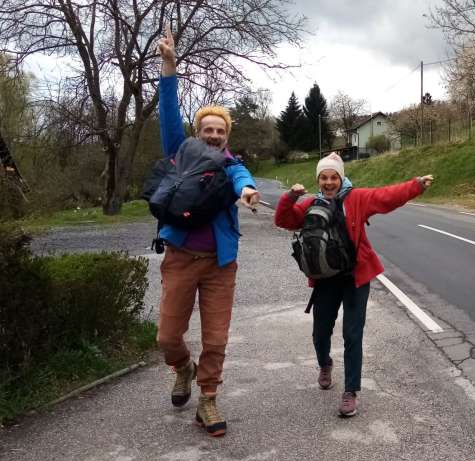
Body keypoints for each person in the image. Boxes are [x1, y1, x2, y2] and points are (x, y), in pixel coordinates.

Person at [155, 26, 260, 437]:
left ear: (227, 136)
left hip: (220, 264)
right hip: (181, 258)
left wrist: (248, 190)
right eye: (208, 129)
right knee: (167, 336)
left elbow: (241, 176)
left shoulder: (231, 164)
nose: (214, 135)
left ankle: (209, 400)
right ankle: (182, 367)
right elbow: (167, 113)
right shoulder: (181, 153)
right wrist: (169, 65)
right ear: (198, 133)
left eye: (221, 130)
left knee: (215, 339)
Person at [274, 152, 433, 416]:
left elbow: (387, 196)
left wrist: (415, 185)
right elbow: (284, 220)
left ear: (341, 177)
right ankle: (325, 364)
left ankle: (350, 391)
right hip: (326, 279)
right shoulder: (311, 203)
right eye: (323, 177)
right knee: (320, 333)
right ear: (318, 179)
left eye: (333, 177)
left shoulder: (357, 198)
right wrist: (289, 197)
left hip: (356, 277)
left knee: (352, 334)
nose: (328, 182)